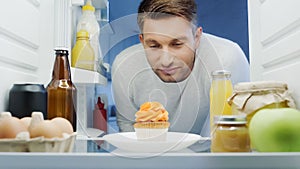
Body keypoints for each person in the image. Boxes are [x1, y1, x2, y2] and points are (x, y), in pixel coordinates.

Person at [112, 0, 250, 137]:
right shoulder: (124, 66)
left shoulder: (226, 59)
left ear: (196, 38)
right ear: (142, 41)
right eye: (154, 46)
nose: (165, 62)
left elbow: (225, 136)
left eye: (177, 44)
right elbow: (128, 132)